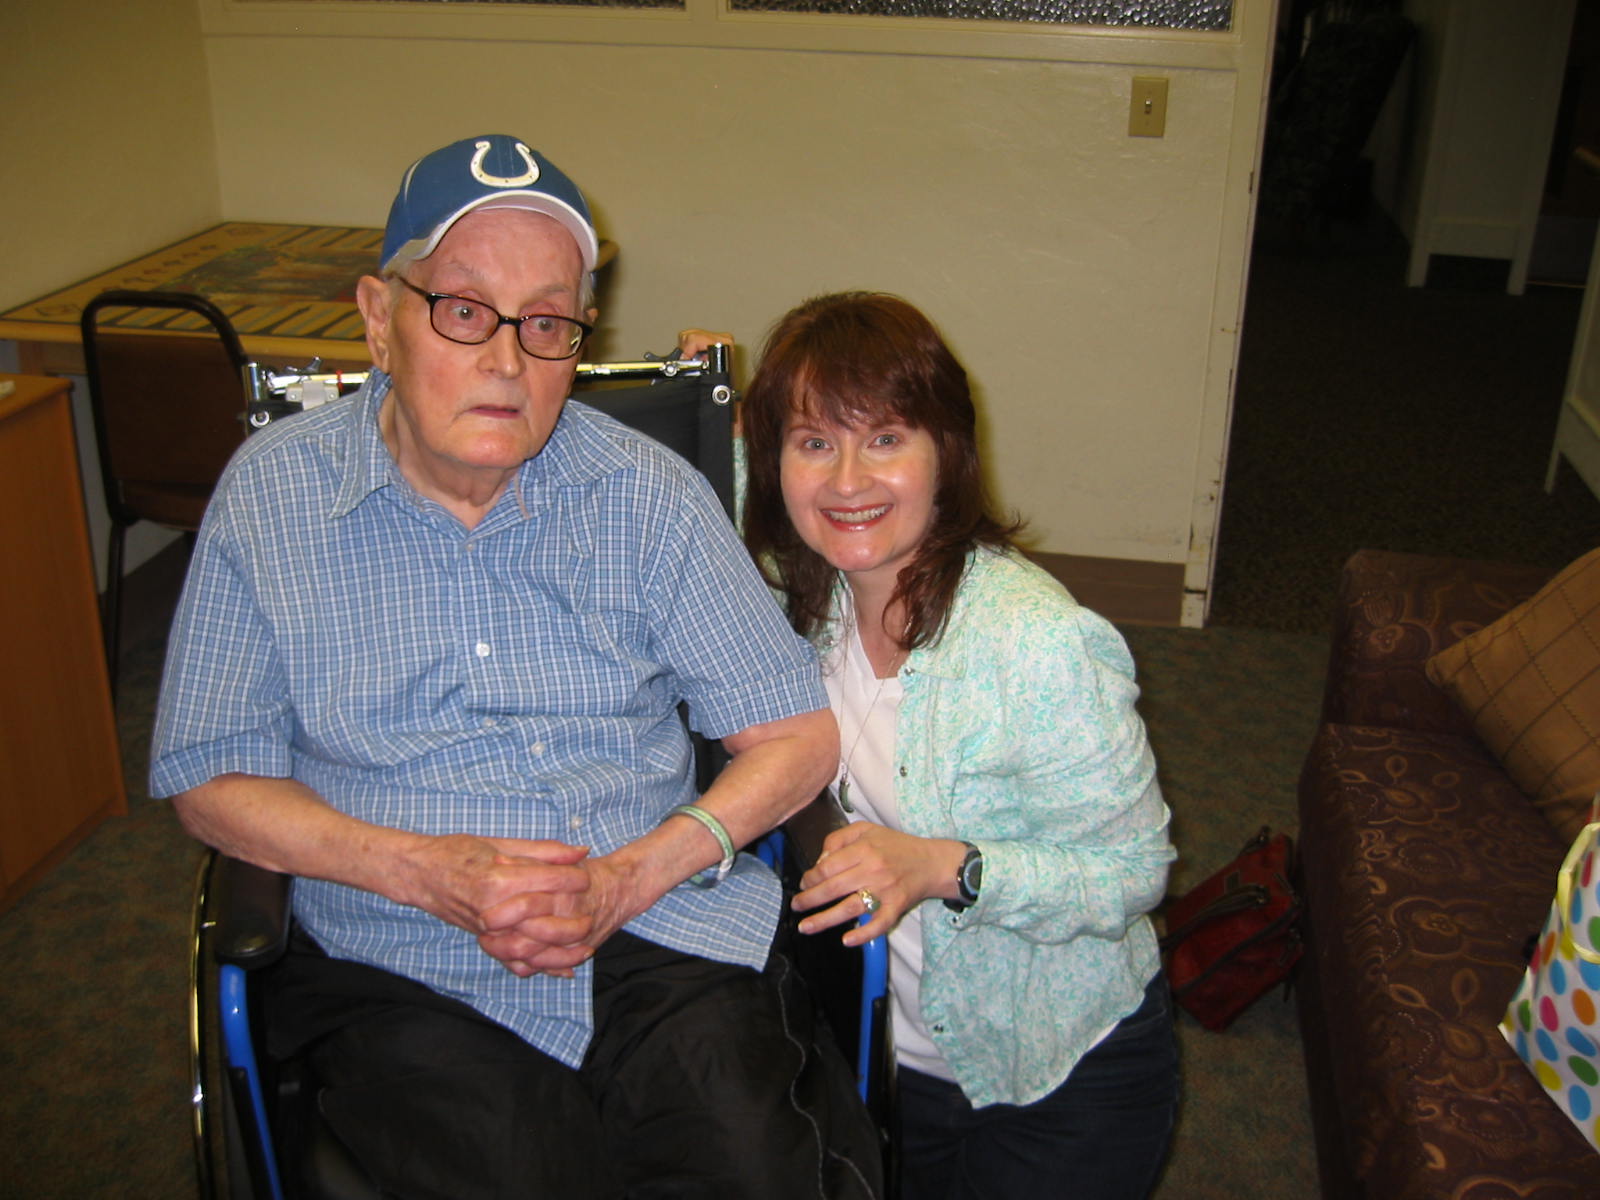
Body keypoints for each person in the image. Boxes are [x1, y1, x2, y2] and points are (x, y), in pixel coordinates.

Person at [151, 135, 880, 1200]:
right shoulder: (275, 500)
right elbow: (208, 772)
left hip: (658, 926)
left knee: (755, 1173)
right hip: (403, 959)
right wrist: (418, 869)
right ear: (377, 316)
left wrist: (635, 871)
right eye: (462, 310)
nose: (506, 362)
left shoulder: (646, 494)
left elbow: (793, 733)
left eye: (546, 322)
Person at [740, 292, 1180, 1199]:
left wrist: (946, 867)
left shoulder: (1038, 643)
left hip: (1054, 1078)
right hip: (888, 1069)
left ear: (947, 455)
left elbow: (1135, 871)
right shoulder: (809, 593)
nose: (847, 479)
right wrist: (715, 391)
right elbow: (700, 498)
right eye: (815, 441)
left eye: (888, 438)